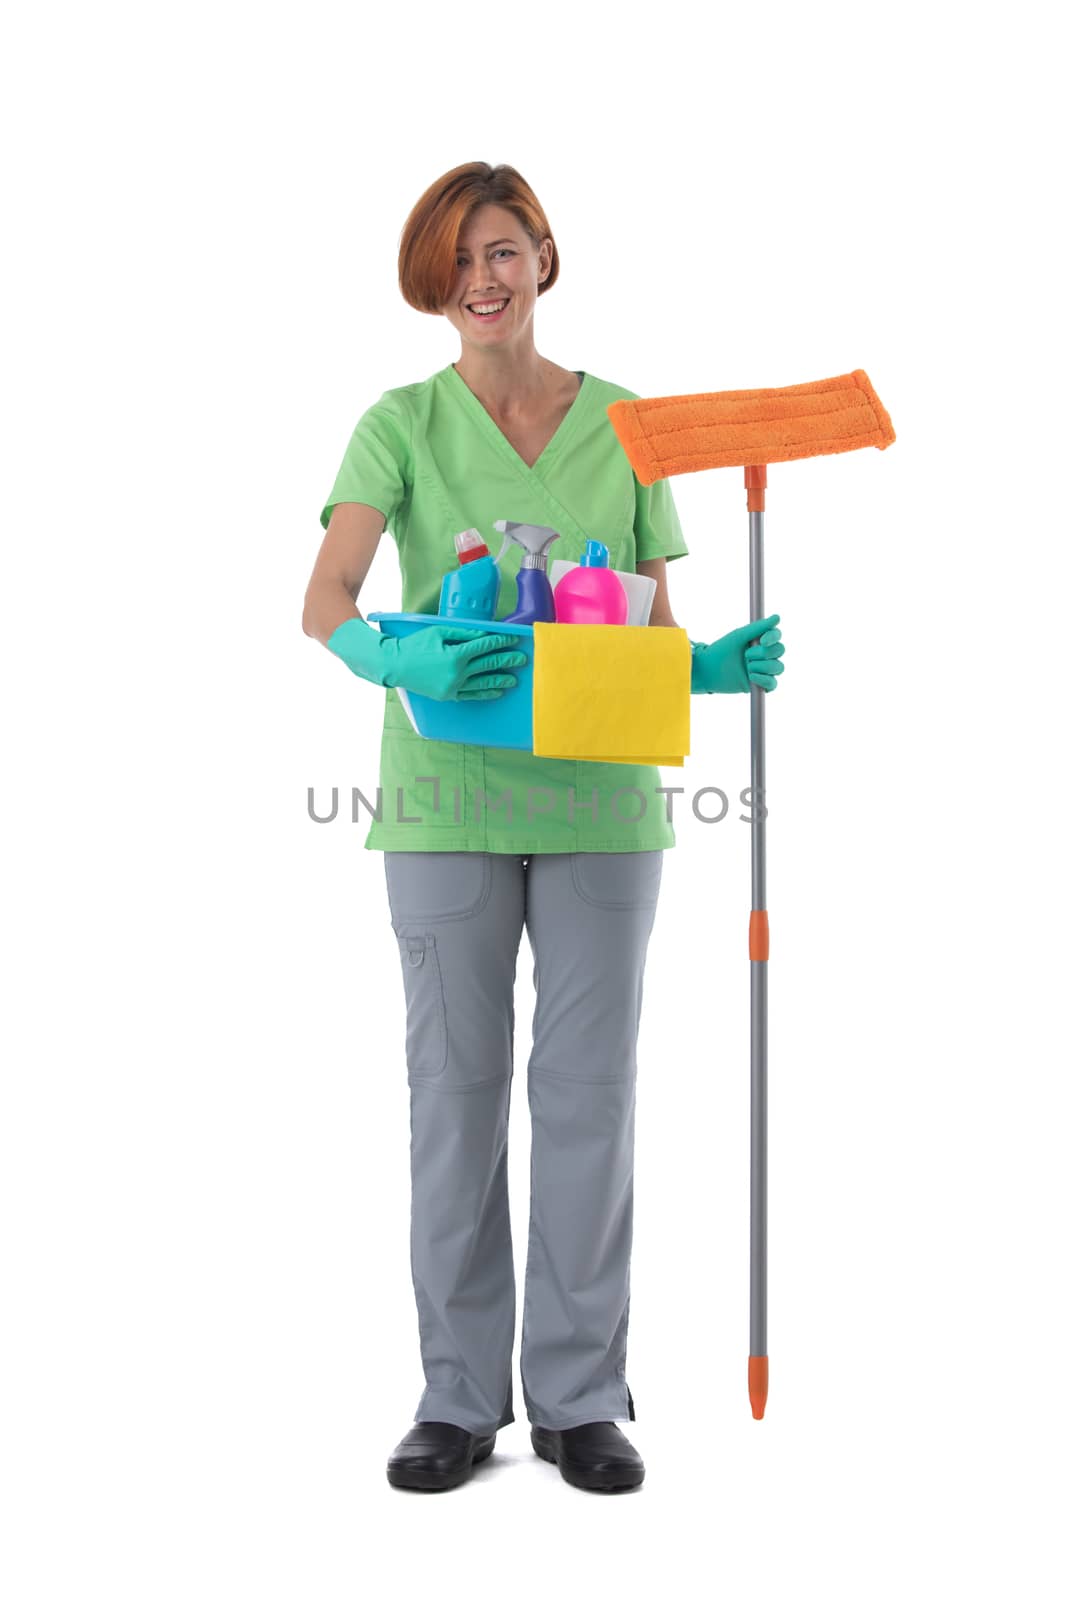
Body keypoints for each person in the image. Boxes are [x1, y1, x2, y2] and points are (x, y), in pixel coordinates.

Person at [302, 162, 785, 1494]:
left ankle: (579, 1400)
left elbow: (655, 629)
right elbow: (326, 595)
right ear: (432, 284)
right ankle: (457, 1399)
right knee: (453, 1103)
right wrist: (384, 660)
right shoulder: (398, 424)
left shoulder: (628, 422)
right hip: (444, 808)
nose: (482, 278)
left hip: (602, 807)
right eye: (458, 260)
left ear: (543, 254)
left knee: (588, 1102)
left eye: (503, 249)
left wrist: (712, 669)